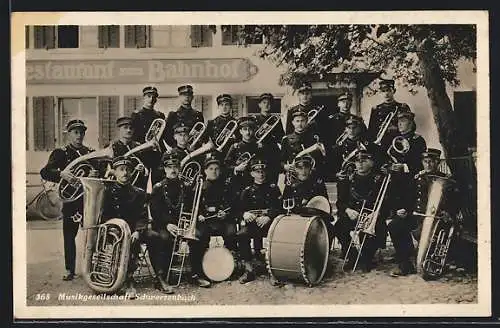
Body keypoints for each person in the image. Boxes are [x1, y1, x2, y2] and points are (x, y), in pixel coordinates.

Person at [388, 148, 459, 277]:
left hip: (437, 219)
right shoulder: (417, 178)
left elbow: (454, 202)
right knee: (395, 225)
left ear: (437, 162)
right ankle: (405, 263)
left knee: (437, 236)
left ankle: (432, 262)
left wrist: (448, 212)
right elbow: (408, 198)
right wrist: (403, 209)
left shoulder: (447, 181)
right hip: (418, 216)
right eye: (425, 161)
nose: (428, 164)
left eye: (431, 161)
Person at [40, 119, 95, 281]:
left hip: (88, 200)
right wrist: (61, 174)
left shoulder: (90, 152)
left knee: (92, 235)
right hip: (71, 202)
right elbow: (45, 172)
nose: (79, 135)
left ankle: (91, 267)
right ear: (69, 134)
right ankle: (69, 269)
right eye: (75, 132)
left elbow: (100, 170)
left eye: (81, 132)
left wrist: (94, 174)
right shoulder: (61, 153)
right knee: (69, 237)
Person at [149, 152, 212, 290]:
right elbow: (155, 212)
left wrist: (192, 223)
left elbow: (194, 206)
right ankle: (162, 276)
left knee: (200, 235)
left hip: (183, 224)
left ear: (180, 168)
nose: (173, 170)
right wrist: (168, 224)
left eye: (176, 166)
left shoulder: (186, 186)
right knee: (163, 238)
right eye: (169, 167)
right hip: (164, 225)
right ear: (165, 169)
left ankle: (196, 273)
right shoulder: (158, 188)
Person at [100, 156, 149, 299]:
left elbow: (142, 215)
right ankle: (109, 276)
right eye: (121, 170)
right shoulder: (107, 191)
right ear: (114, 172)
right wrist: (111, 228)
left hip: (132, 231)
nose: (125, 173)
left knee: (131, 242)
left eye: (128, 169)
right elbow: (104, 214)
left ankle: (129, 279)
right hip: (113, 230)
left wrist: (138, 232)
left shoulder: (138, 193)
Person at [334, 149, 389, 273]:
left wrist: (376, 213)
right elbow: (340, 202)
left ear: (372, 163)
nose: (359, 164)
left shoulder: (379, 179)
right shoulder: (347, 179)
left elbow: (386, 202)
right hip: (353, 214)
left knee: (378, 229)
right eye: (357, 162)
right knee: (338, 227)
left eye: (364, 161)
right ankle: (353, 255)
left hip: (372, 216)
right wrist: (348, 210)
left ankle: (367, 257)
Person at [236, 158, 283, 284]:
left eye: (262, 171)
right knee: (241, 235)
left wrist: (268, 216)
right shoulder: (247, 191)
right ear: (252, 174)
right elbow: (239, 209)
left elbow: (280, 207)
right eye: (257, 171)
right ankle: (248, 269)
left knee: (278, 237)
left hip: (270, 224)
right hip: (253, 224)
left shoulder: (273, 188)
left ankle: (274, 270)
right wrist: (244, 214)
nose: (260, 174)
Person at [282, 155, 335, 245]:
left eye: (306, 167)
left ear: (310, 169)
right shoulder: (290, 184)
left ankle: (321, 253)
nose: (303, 171)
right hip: (296, 218)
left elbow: (325, 204)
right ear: (295, 169)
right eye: (300, 168)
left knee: (330, 228)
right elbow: (284, 204)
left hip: (314, 218)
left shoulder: (318, 183)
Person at [224, 116, 275, 205]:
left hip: (257, 183)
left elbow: (269, 165)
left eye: (250, 129)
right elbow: (225, 165)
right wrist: (236, 168)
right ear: (240, 131)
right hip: (240, 182)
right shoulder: (235, 147)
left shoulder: (260, 147)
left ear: (254, 130)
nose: (248, 132)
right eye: (245, 129)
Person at [196, 155, 238, 259]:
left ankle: (231, 261)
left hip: (223, 220)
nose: (214, 171)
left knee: (231, 232)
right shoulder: (199, 186)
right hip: (205, 221)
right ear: (205, 171)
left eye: (216, 169)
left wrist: (226, 213)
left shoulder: (226, 186)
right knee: (200, 236)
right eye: (210, 169)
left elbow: (233, 204)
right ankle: (201, 263)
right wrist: (199, 215)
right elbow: (193, 205)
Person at [330, 115, 386, 180]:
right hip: (346, 182)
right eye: (349, 127)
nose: (351, 130)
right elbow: (331, 166)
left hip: (365, 181)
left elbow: (380, 161)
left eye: (354, 127)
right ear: (345, 129)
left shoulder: (368, 145)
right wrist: (336, 174)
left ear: (360, 128)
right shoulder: (339, 147)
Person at [130, 86, 166, 185]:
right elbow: (133, 136)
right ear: (144, 98)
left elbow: (162, 136)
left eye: (153, 97)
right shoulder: (137, 115)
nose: (151, 99)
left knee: (158, 182)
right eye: (149, 96)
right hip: (142, 153)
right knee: (141, 182)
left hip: (156, 154)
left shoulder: (160, 116)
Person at [281, 106, 326, 182]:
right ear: (293, 122)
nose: (300, 124)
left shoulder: (314, 138)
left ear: (307, 121)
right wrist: (285, 166)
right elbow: (281, 160)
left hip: (312, 177)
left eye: (302, 121)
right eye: (297, 121)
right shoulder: (286, 139)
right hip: (294, 176)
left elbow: (321, 160)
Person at [106, 116, 148, 190]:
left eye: (131, 128)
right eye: (125, 127)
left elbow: (146, 167)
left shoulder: (139, 147)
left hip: (137, 187)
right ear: (119, 130)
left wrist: (143, 169)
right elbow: (107, 169)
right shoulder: (112, 147)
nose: (129, 130)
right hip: (117, 187)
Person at [252, 93, 284, 184]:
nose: (266, 105)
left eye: (269, 103)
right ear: (259, 105)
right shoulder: (254, 119)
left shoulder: (276, 119)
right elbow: (251, 137)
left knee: (272, 180)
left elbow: (281, 137)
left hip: (272, 154)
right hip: (258, 153)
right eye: (264, 102)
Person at [367, 79, 412, 143]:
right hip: (381, 143)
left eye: (388, 90)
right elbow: (371, 131)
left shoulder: (402, 107)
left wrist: (395, 128)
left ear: (394, 91)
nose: (386, 93)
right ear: (380, 93)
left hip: (398, 141)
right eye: (383, 91)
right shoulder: (376, 109)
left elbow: (410, 128)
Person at [383, 111, 427, 176]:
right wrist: (387, 167)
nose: (399, 124)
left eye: (403, 121)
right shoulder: (393, 138)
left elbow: (421, 163)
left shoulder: (418, 140)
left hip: (409, 178)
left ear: (410, 123)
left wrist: (404, 167)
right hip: (392, 177)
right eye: (398, 121)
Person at [164, 84, 205, 149]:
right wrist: (177, 147)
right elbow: (167, 136)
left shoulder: (198, 115)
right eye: (184, 95)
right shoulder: (173, 115)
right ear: (179, 97)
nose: (187, 97)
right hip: (179, 151)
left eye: (189, 95)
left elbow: (201, 135)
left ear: (192, 97)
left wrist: (195, 146)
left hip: (194, 150)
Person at [206, 94, 238, 158]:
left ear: (231, 106)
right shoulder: (211, 123)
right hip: (216, 155)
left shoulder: (236, 123)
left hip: (232, 155)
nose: (224, 107)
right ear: (218, 107)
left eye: (227, 104)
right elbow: (206, 140)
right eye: (221, 105)